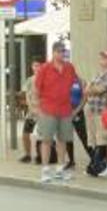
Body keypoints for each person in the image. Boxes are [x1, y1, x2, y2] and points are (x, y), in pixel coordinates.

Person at [34, 42, 79, 183]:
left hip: (65, 109)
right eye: (58, 51)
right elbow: (36, 89)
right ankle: (45, 170)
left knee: (62, 140)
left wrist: (75, 107)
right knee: (46, 140)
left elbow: (75, 85)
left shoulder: (69, 68)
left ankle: (60, 169)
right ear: (53, 53)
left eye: (63, 51)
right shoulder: (44, 68)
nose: (61, 54)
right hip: (48, 109)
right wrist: (37, 108)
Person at [84, 50, 107, 177]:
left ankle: (97, 165)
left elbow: (100, 89)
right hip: (91, 109)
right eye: (102, 57)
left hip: (103, 111)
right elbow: (87, 89)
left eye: (106, 58)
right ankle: (95, 163)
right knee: (93, 137)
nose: (103, 59)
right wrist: (90, 89)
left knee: (103, 138)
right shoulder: (98, 73)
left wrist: (90, 89)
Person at [18, 60, 43, 163]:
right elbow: (25, 94)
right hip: (32, 112)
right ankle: (28, 155)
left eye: (38, 65)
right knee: (25, 133)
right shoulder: (29, 80)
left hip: (42, 111)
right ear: (32, 67)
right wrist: (29, 106)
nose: (36, 68)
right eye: (34, 65)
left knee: (41, 135)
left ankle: (40, 156)